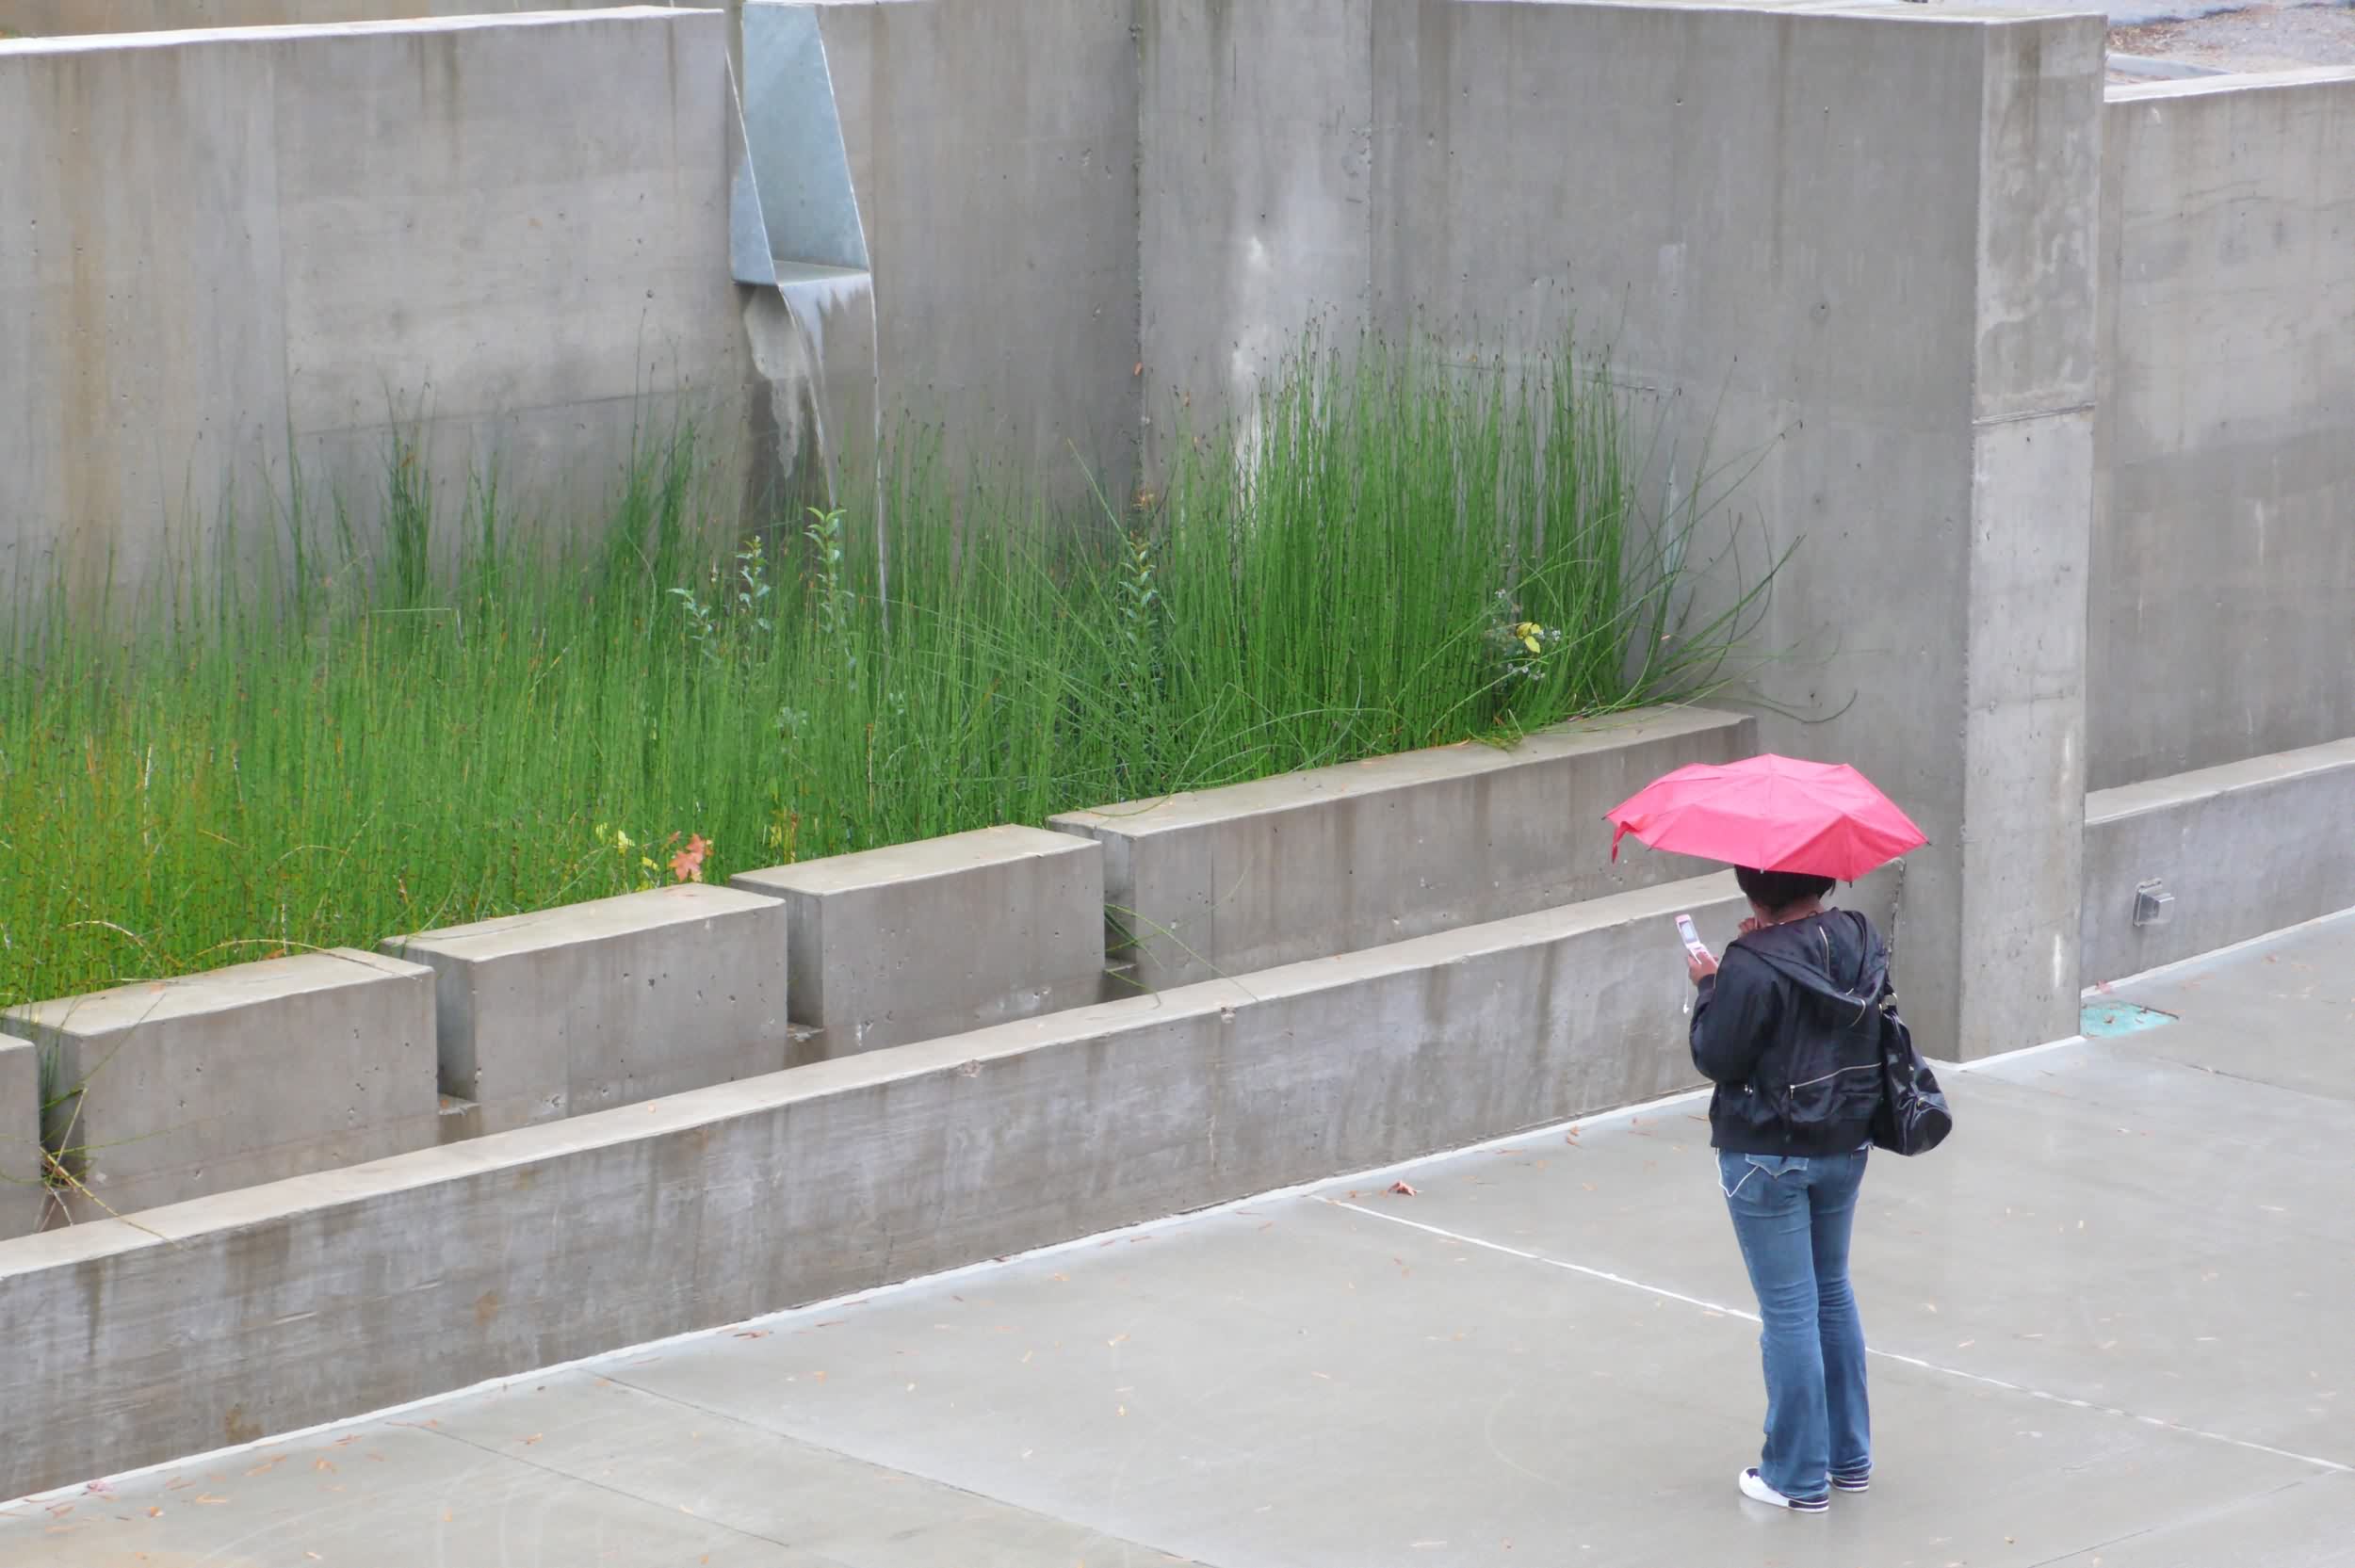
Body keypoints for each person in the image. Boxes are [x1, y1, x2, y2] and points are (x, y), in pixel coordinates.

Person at [1684, 865, 1892, 1513]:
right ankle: (1847, 1458)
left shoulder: (1749, 960)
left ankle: (1796, 1475)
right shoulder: (1859, 936)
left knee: (1790, 1310)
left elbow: (1717, 1055)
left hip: (1768, 1152)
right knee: (1832, 1291)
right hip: (1845, 1139)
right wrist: (1761, 949)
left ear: (1752, 889)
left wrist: (1712, 984)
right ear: (1825, 878)